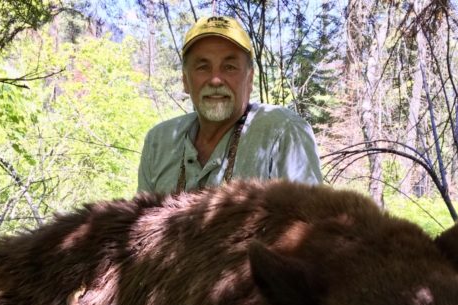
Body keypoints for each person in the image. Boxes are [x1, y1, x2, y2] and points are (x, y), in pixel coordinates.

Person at [138, 15, 323, 194]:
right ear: (185, 81)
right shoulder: (159, 142)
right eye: (203, 67)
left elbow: (309, 222)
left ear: (249, 80)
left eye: (230, 67)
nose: (216, 80)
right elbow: (139, 223)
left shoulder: (284, 132)